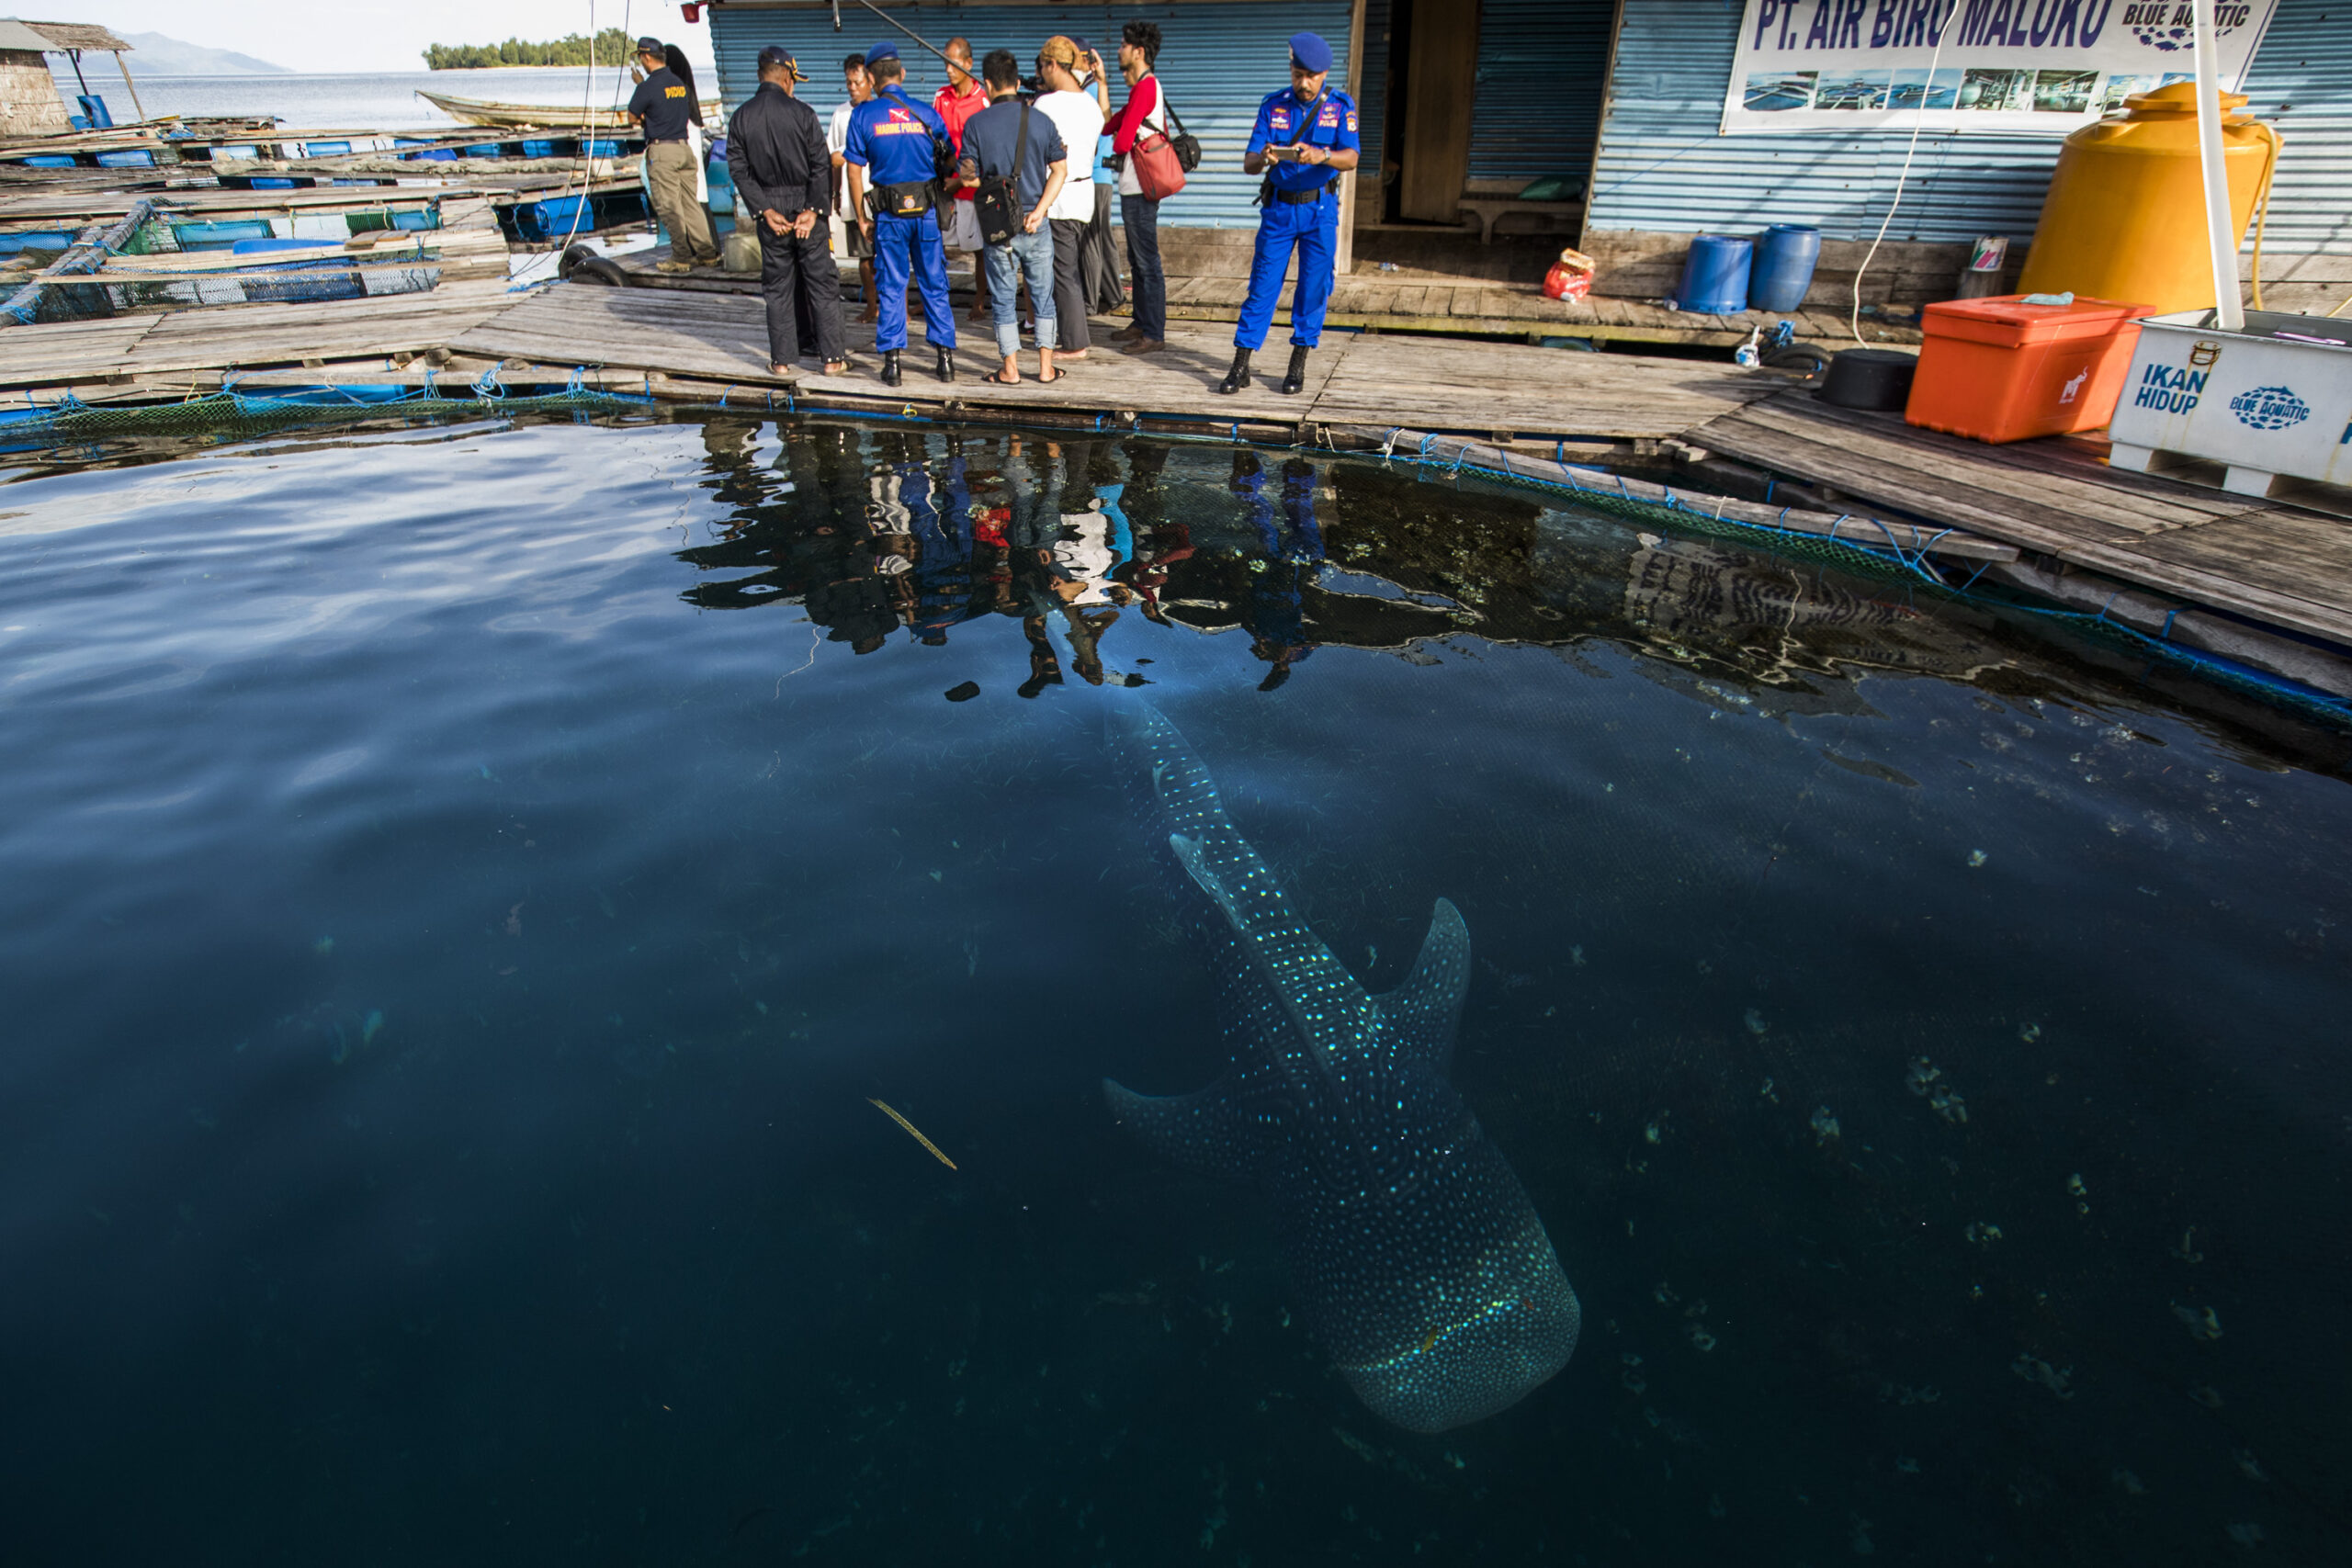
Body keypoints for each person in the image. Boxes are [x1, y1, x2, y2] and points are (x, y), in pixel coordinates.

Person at [1220, 33, 1358, 397]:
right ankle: (1241, 364)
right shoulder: (1273, 105)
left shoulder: (1341, 106)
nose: (1304, 83)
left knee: (1314, 287)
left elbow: (1353, 157)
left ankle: (1297, 365)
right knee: (1262, 286)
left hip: (1320, 210)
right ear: (1291, 69)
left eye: (1312, 76)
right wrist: (1264, 156)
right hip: (1280, 210)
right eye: (1298, 74)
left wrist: (1322, 155)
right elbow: (1249, 163)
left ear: (1324, 73)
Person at [727, 47, 849, 377]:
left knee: (778, 286)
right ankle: (832, 358)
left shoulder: (740, 117)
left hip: (771, 212)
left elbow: (738, 170)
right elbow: (820, 165)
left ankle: (782, 361)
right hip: (806, 207)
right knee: (821, 282)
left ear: (758, 75)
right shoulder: (803, 114)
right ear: (786, 78)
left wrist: (764, 209)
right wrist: (813, 209)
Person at [843, 42, 958, 387]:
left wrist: (862, 219)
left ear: (872, 78)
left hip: (889, 217)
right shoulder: (927, 113)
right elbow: (951, 160)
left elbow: (853, 170)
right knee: (934, 283)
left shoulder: (863, 115)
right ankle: (945, 361)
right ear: (902, 74)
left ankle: (893, 365)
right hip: (925, 214)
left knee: (892, 285)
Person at [956, 48, 1069, 386]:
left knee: (1004, 299)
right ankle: (1047, 369)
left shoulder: (975, 123)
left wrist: (991, 182)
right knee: (1042, 295)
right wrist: (1039, 211)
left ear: (988, 84)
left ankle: (1011, 370)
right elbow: (1060, 170)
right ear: (1018, 82)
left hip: (999, 226)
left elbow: (967, 177)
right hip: (1037, 222)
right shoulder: (1042, 120)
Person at [1031, 37, 1109, 361]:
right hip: (1084, 192)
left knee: (1062, 271)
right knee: (1069, 267)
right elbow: (1100, 129)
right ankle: (1068, 334)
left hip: (1058, 196)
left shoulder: (1046, 104)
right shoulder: (1091, 104)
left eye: (1043, 67)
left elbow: (1035, 153)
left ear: (1052, 65)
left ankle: (1075, 342)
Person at [627, 36, 720, 273]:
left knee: (669, 206)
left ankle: (681, 256)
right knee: (691, 204)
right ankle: (707, 253)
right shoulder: (680, 84)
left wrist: (639, 85)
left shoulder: (647, 86)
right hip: (684, 149)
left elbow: (631, 117)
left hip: (663, 152)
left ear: (646, 57)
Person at [1104, 20, 1169, 355]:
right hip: (1135, 186)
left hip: (1141, 188)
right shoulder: (1140, 88)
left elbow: (1121, 141)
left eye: (1123, 44)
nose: (1119, 49)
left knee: (1147, 261)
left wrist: (1118, 133)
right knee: (1138, 258)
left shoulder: (1145, 87)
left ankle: (1154, 333)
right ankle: (1142, 322)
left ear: (1138, 51)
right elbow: (1110, 127)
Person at [932, 38, 994, 326]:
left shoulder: (983, 100)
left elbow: (986, 150)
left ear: (968, 64)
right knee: (937, 246)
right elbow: (935, 140)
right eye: (944, 61)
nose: (948, 69)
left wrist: (965, 180)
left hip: (972, 189)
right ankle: (935, 299)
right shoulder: (940, 97)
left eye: (953, 62)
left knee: (979, 249)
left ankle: (980, 300)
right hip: (945, 186)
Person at [827, 53, 877, 323]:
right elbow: (833, 158)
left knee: (890, 256)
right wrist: (835, 195)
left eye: (857, 82)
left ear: (870, 80)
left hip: (880, 193)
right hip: (853, 198)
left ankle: (899, 309)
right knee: (864, 257)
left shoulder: (880, 109)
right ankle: (872, 306)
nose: (853, 88)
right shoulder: (841, 115)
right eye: (849, 84)